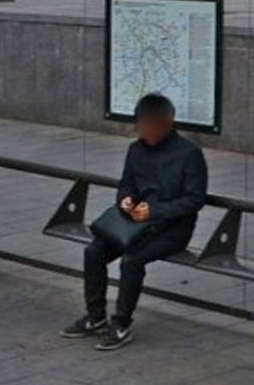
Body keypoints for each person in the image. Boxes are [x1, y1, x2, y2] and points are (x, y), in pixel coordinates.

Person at [63, 94, 208, 351]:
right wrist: (126, 201)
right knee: (94, 251)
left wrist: (155, 210)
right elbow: (126, 184)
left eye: (150, 126)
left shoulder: (189, 154)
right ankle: (95, 316)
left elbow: (194, 200)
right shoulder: (136, 149)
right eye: (141, 125)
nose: (144, 131)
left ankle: (120, 324)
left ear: (167, 122)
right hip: (134, 225)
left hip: (172, 228)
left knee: (132, 260)